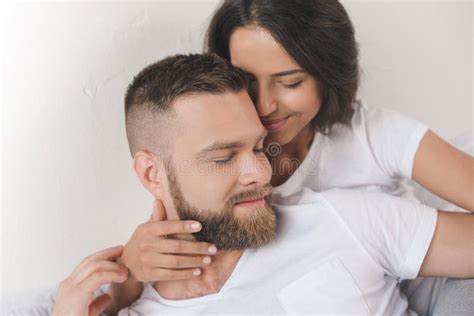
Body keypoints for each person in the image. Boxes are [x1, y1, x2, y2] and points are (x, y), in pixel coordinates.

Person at [106, 1, 473, 314]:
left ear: (325, 76)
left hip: (427, 274)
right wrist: (130, 273)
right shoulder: (207, 164)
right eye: (247, 82)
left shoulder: (370, 142)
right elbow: (187, 199)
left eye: (291, 82)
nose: (264, 105)